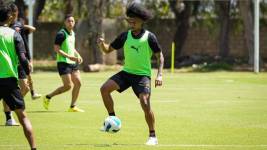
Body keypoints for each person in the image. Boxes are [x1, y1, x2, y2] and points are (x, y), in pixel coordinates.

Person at [97, 2, 164, 146]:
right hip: (126, 73)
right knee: (104, 89)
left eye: (134, 21)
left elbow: (160, 56)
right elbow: (108, 50)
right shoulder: (125, 36)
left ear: (142, 21)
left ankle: (153, 136)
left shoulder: (149, 37)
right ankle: (112, 119)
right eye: (129, 21)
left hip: (142, 76)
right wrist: (102, 45)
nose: (131, 23)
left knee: (145, 103)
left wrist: (159, 75)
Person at [0, 5, 36, 150]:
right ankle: (33, 148)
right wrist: (28, 76)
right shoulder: (14, 34)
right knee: (23, 118)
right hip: (9, 80)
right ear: (9, 17)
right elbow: (22, 59)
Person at [43, 14, 84, 112]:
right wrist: (70, 57)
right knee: (68, 86)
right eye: (68, 21)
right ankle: (48, 97)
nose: (71, 23)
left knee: (78, 83)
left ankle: (72, 106)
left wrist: (78, 55)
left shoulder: (73, 33)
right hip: (63, 63)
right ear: (65, 22)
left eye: (72, 21)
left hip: (72, 62)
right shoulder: (61, 34)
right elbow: (56, 49)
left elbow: (71, 47)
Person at [9, 3, 41, 100]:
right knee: (10, 87)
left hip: (21, 59)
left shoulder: (19, 25)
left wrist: (23, 26)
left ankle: (15, 103)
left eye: (16, 14)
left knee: (25, 87)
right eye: (12, 14)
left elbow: (31, 32)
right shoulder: (5, 26)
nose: (14, 16)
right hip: (10, 60)